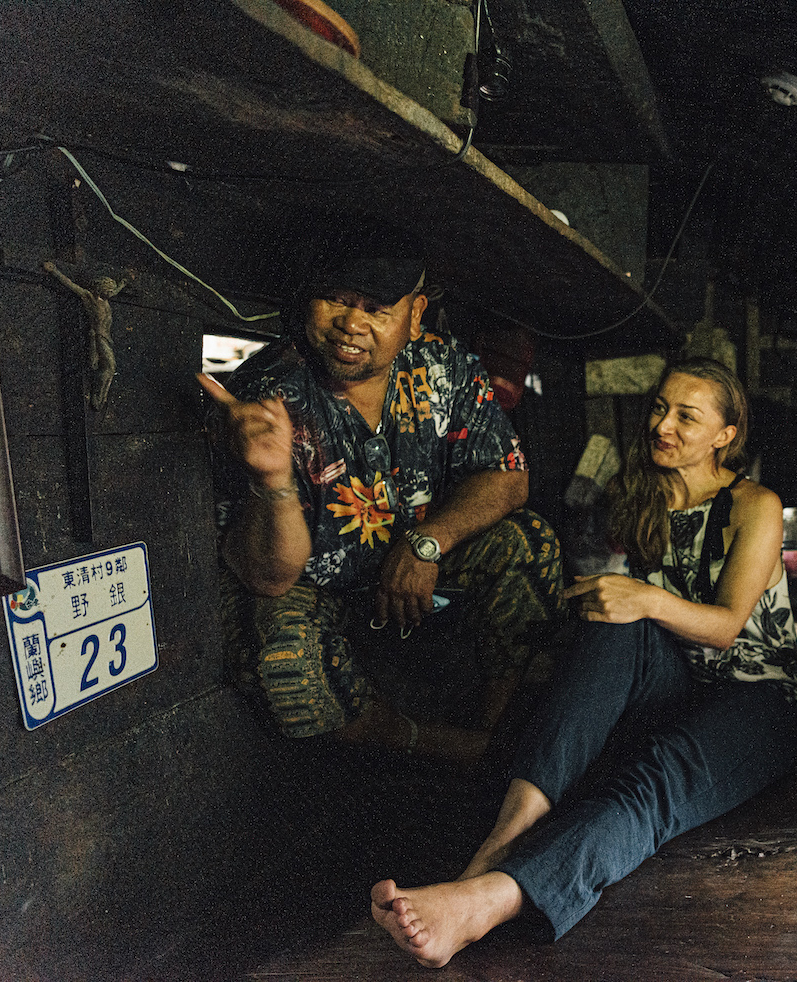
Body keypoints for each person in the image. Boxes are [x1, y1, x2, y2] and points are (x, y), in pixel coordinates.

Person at [371, 357, 797, 967]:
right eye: (659, 408)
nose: (663, 425)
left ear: (725, 435)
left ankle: (490, 900)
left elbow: (726, 627)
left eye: (687, 417)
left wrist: (643, 597)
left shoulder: (753, 504)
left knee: (655, 776)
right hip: (681, 679)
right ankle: (501, 841)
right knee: (611, 625)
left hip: (763, 694)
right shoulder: (643, 496)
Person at [201, 224, 562, 764]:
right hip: (313, 587)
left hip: (415, 567)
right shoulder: (266, 395)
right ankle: (436, 746)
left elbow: (508, 476)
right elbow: (268, 577)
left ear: (415, 316)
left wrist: (427, 543)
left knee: (528, 543)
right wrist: (273, 482)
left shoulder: (445, 367)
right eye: (336, 300)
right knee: (282, 656)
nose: (351, 324)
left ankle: (494, 727)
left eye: (377, 309)